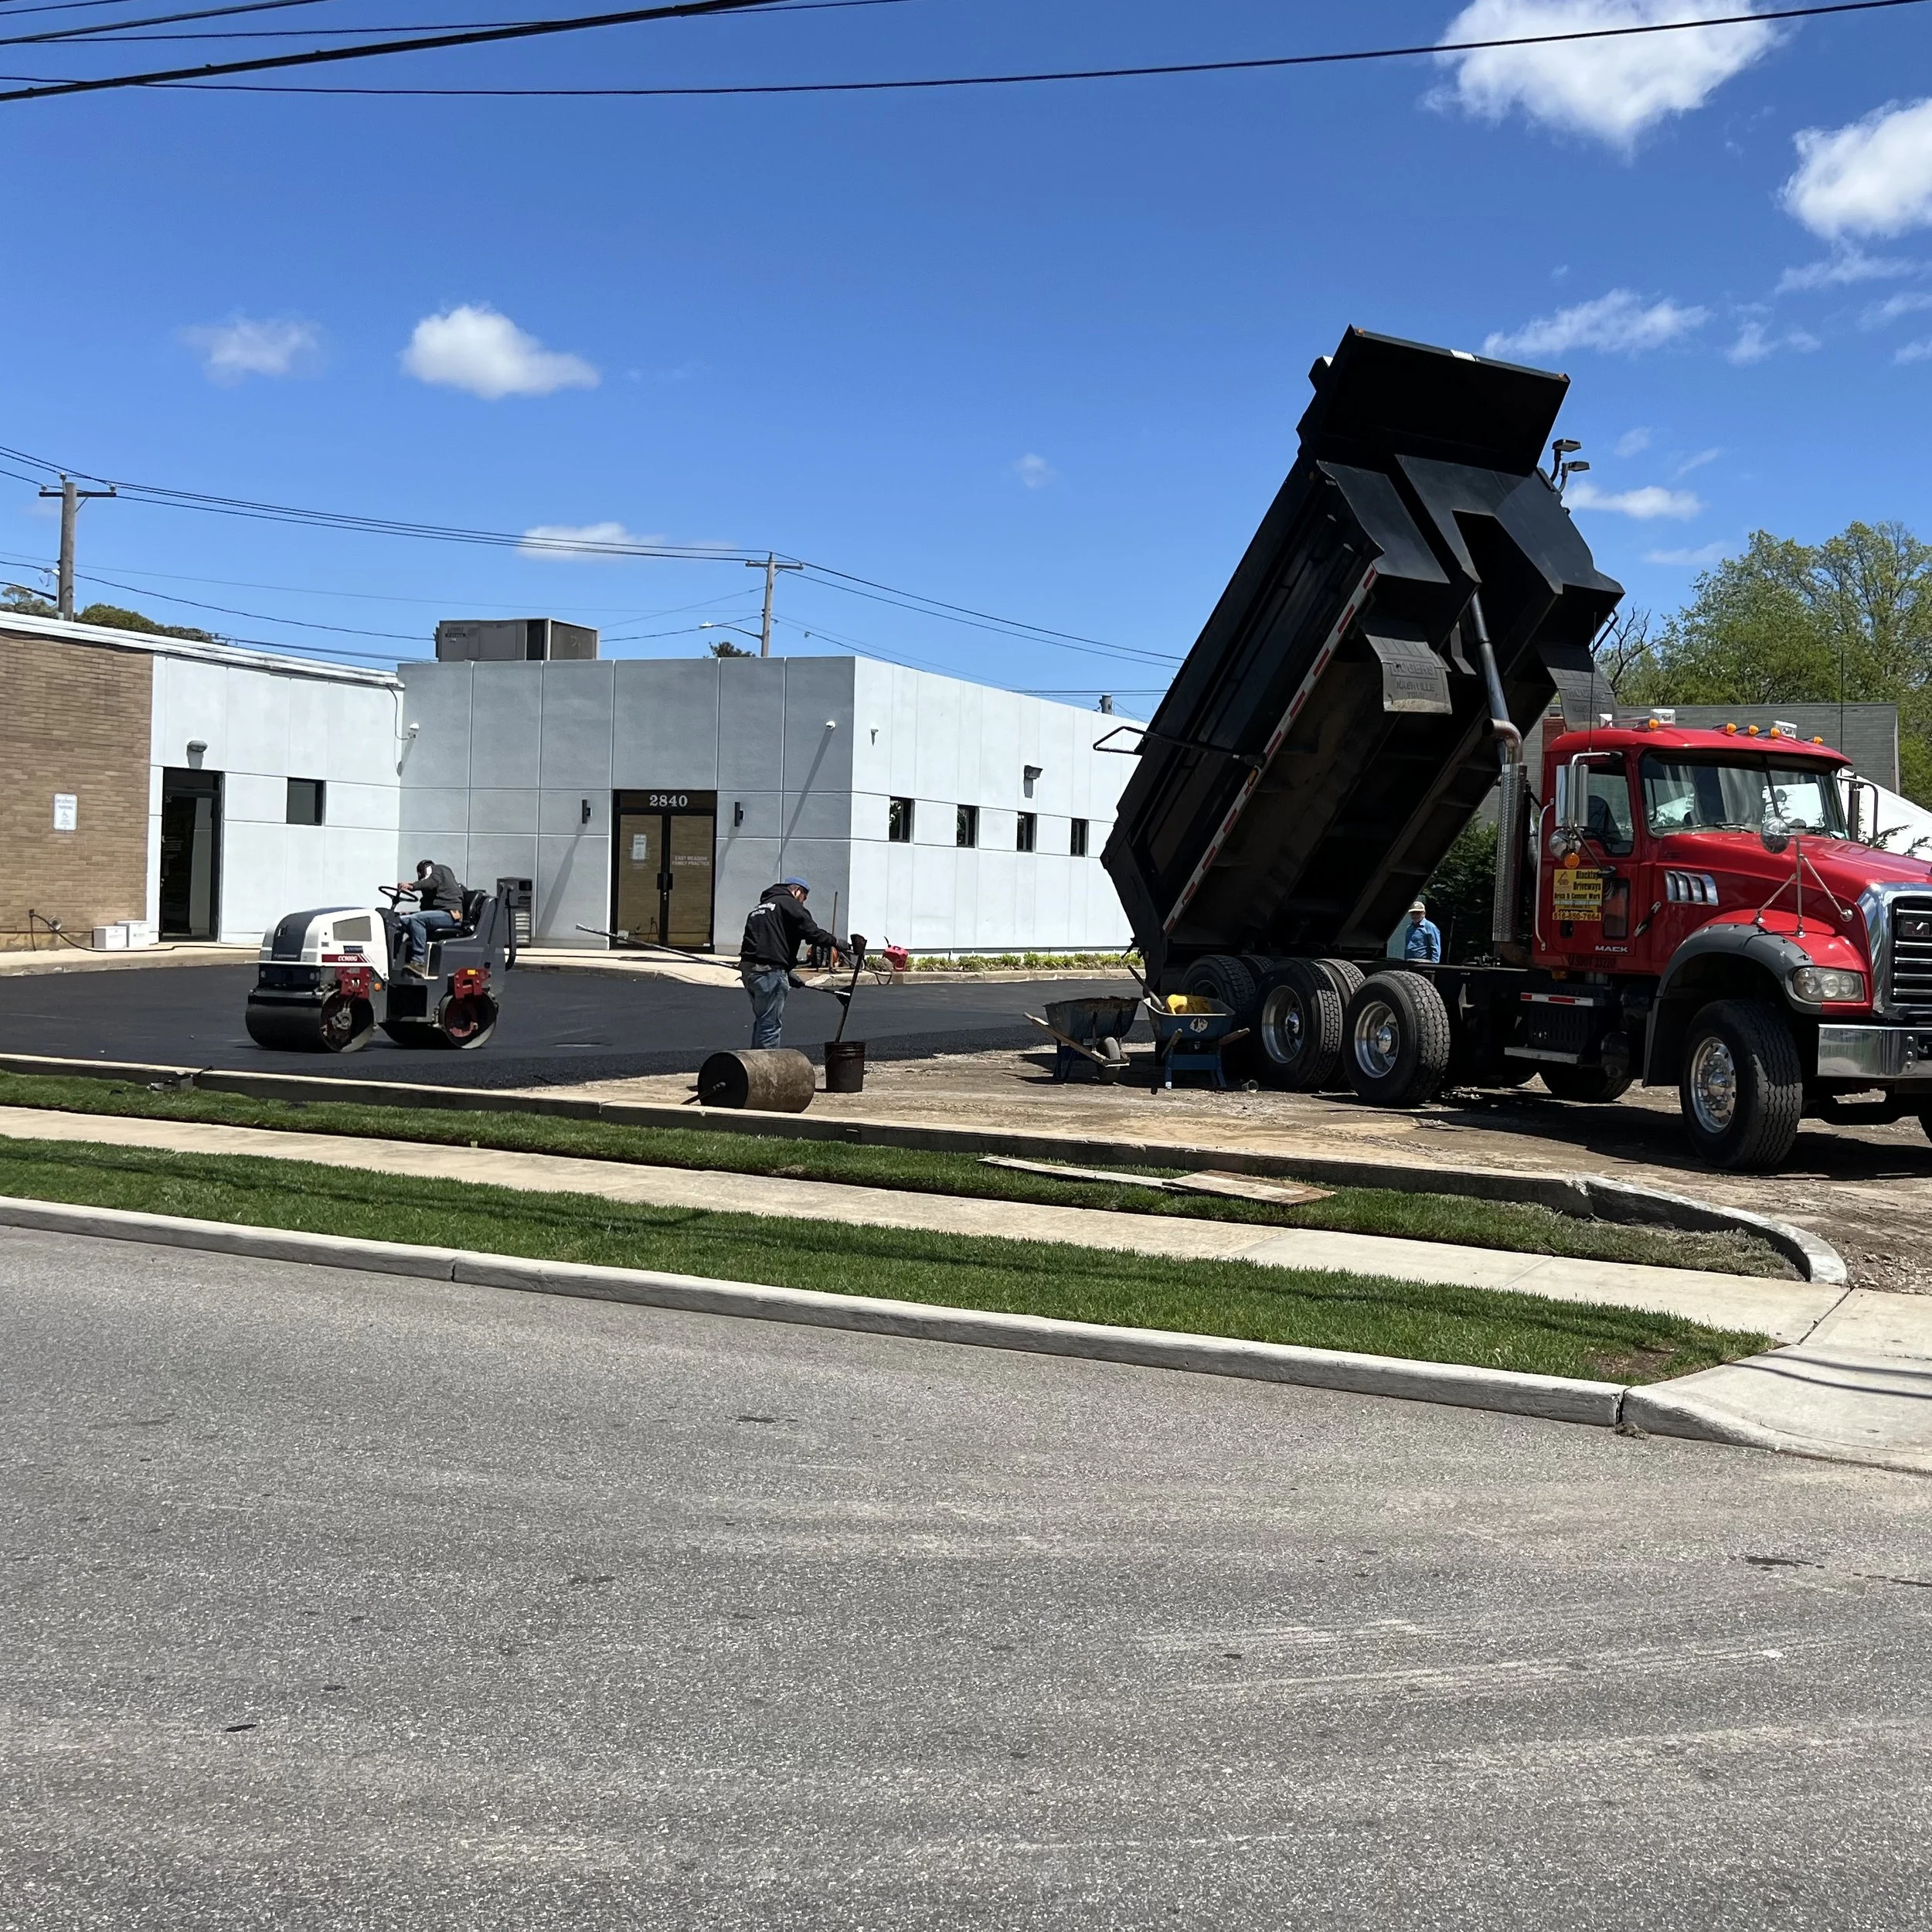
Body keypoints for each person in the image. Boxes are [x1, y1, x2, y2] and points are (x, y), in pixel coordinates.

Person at [740, 876, 845, 1049]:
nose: (803, 903)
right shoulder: (789, 903)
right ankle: (767, 1071)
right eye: (804, 898)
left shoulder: (760, 908)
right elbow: (811, 932)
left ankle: (754, 1068)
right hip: (769, 972)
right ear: (797, 891)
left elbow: (764, 943)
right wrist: (835, 942)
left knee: (763, 1021)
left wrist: (787, 971)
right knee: (770, 1025)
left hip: (750, 970)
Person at [391, 857, 466, 975]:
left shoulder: (438, 870)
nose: (420, 877)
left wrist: (412, 886)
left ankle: (418, 962)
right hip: (439, 915)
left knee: (417, 920)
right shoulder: (433, 889)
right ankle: (393, 961)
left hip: (450, 915)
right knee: (399, 921)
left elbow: (431, 882)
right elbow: (427, 911)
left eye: (420, 874)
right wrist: (410, 914)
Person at [1403, 898, 1442, 964]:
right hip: (1409, 961)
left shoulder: (1430, 927)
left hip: (1424, 962)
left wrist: (1434, 965)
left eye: (1418, 913)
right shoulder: (1409, 928)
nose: (1415, 915)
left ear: (1424, 913)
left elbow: (1436, 947)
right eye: (1413, 913)